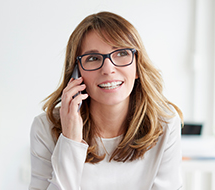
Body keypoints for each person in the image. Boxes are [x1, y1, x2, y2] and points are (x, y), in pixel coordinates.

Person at [29, 11, 183, 190]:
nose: (108, 69)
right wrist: (70, 141)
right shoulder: (45, 128)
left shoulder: (165, 124)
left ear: (137, 66)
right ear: (76, 73)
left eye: (122, 53)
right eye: (93, 58)